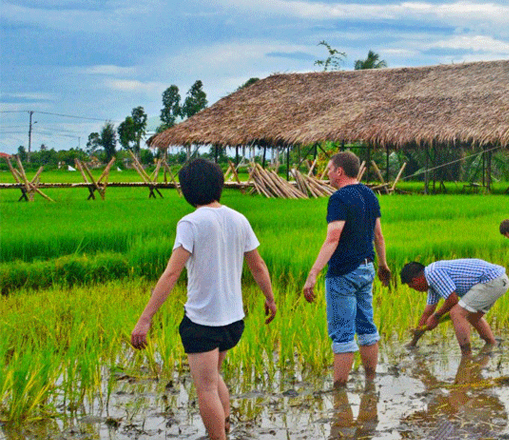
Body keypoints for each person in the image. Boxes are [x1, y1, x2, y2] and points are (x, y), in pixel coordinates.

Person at [130, 159, 277, 440]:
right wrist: (270, 299)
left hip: (203, 321)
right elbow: (258, 266)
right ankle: (224, 426)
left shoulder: (191, 222)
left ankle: (218, 436)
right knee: (214, 376)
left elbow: (172, 273)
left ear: (187, 190)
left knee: (206, 387)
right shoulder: (239, 218)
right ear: (218, 185)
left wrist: (145, 319)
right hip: (233, 321)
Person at [302, 151, 392, 385]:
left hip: (343, 273)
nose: (328, 174)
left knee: (342, 334)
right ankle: (370, 382)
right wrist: (383, 264)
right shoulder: (370, 194)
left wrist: (313, 273)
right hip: (367, 268)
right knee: (366, 328)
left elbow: (333, 238)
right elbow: (379, 236)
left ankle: (339, 390)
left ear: (339, 172)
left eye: (329, 169)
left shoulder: (339, 198)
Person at [400, 259, 509, 354]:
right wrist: (413, 342)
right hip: (499, 280)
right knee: (473, 317)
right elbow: (427, 313)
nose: (416, 290)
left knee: (456, 313)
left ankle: (466, 356)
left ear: (416, 280)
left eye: (412, 286)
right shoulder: (431, 282)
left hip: (492, 280)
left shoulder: (433, 273)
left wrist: (436, 317)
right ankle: (491, 345)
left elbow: (452, 300)